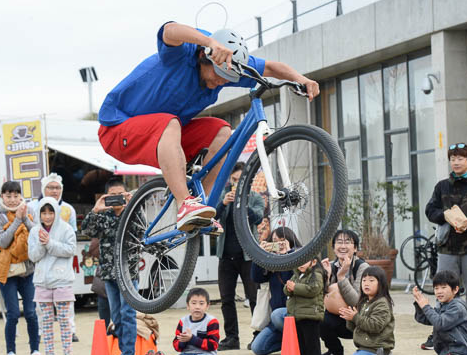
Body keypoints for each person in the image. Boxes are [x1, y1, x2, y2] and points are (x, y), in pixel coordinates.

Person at [97, 22, 319, 232]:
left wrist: (302, 79)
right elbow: (169, 30)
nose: (221, 82)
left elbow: (270, 67)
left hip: (164, 133)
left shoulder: (230, 66)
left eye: (227, 79)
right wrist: (209, 42)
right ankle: (185, 204)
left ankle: (201, 210)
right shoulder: (182, 54)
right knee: (169, 122)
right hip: (118, 129)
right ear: (204, 57)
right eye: (218, 75)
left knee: (222, 131)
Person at [424, 143, 467, 349]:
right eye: (453, 158)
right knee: (444, 290)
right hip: (447, 247)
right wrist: (444, 216)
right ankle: (440, 330)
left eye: (461, 158)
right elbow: (430, 210)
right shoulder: (442, 185)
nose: (456, 162)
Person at [81, 177, 138, 355]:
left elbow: (142, 231)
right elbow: (86, 230)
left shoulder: (132, 212)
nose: (116, 199)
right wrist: (96, 208)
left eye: (120, 195)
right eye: (112, 195)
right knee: (117, 315)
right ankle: (123, 354)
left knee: (128, 313)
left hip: (128, 273)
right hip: (108, 273)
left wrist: (132, 205)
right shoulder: (103, 215)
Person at [0, 181, 41, 355]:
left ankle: (35, 350)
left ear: (21, 196)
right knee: (12, 314)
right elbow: (2, 241)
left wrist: (24, 217)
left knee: (31, 312)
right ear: (1, 196)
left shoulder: (30, 210)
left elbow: (35, 234)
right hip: (7, 271)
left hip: (28, 270)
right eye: (8, 196)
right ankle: (10, 352)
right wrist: (17, 220)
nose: (12, 200)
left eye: (15, 196)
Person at [215, 162, 265, 350]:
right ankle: (231, 338)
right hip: (226, 256)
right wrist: (224, 203)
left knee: (253, 297)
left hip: (248, 256)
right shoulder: (223, 194)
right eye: (234, 180)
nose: (236, 183)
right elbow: (213, 216)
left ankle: (258, 336)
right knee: (226, 298)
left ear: (248, 180)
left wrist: (242, 204)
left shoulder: (255, 198)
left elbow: (258, 218)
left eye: (240, 180)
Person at [27, 173, 80, 342]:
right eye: (50, 187)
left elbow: (73, 237)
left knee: (66, 303)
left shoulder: (68, 209)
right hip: (42, 266)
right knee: (42, 305)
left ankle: (70, 330)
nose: (54, 191)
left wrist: (51, 242)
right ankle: (42, 332)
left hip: (62, 265)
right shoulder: (32, 207)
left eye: (57, 188)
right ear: (43, 189)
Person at [412, 270, 467, 355]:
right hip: (447, 354)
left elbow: (440, 324)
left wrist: (426, 307)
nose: (439, 291)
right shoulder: (443, 305)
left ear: (455, 290)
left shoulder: (457, 307)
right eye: (436, 288)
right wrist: (419, 304)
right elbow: (425, 319)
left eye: (443, 287)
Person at [320, 229, 369, 355]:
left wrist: (341, 277)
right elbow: (320, 298)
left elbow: (356, 301)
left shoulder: (362, 268)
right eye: (339, 242)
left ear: (355, 248)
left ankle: (367, 352)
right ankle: (335, 351)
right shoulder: (330, 266)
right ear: (334, 247)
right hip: (338, 317)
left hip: (361, 319)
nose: (343, 246)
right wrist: (327, 277)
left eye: (347, 242)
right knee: (318, 317)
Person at [250, 227, 299, 355]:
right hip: (277, 321)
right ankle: (293, 341)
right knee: (257, 347)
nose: (278, 244)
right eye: (275, 241)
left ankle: (299, 340)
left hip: (296, 314)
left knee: (277, 315)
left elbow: (294, 276)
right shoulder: (272, 264)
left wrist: (289, 253)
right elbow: (256, 278)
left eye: (282, 241)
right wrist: (260, 255)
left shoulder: (300, 258)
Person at [339, 266, 395, 355]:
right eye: (364, 280)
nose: (366, 283)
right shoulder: (364, 302)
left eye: (371, 280)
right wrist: (349, 318)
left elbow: (376, 326)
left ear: (381, 284)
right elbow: (355, 328)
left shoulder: (382, 303)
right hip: (363, 349)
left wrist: (355, 317)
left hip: (376, 350)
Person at [284, 255, 326, 355]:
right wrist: (288, 288)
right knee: (300, 339)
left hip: (311, 314)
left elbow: (313, 289)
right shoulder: (296, 275)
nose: (301, 264)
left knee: (311, 339)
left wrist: (295, 287)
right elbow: (287, 290)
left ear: (313, 262)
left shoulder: (316, 274)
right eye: (299, 261)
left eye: (304, 261)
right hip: (297, 314)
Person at [171, 287, 220, 355]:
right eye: (193, 303)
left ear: (207, 306)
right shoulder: (183, 321)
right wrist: (183, 341)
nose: (197, 307)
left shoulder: (211, 321)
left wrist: (192, 339)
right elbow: (176, 346)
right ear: (188, 305)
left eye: (201, 303)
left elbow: (213, 345)